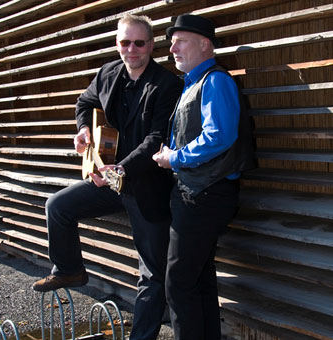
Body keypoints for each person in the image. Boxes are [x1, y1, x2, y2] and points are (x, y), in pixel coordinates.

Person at [32, 13, 183, 340]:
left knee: (153, 275)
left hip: (147, 187)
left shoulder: (168, 84)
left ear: (151, 45)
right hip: (110, 179)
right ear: (117, 44)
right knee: (57, 206)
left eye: (138, 43)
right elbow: (83, 103)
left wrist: (121, 168)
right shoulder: (108, 72)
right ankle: (70, 270)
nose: (131, 49)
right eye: (124, 42)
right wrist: (83, 129)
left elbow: (156, 139)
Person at [152, 14, 254, 340]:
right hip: (198, 193)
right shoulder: (195, 82)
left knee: (178, 283)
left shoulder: (215, 81)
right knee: (199, 279)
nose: (172, 49)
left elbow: (219, 136)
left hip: (205, 196)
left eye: (180, 41)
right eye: (172, 43)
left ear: (204, 43)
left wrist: (174, 158)